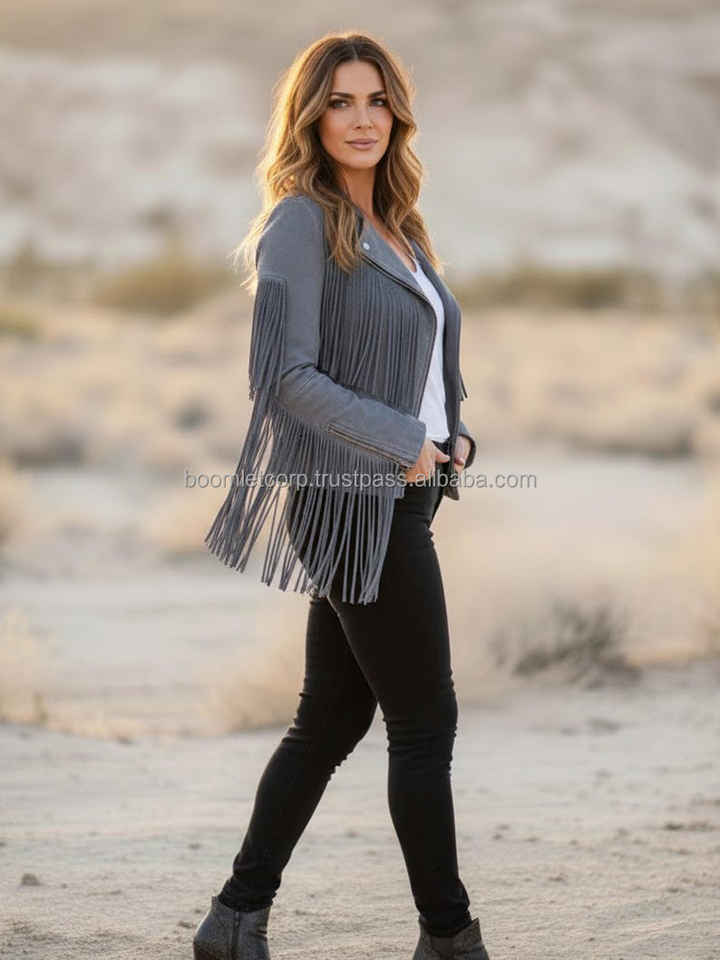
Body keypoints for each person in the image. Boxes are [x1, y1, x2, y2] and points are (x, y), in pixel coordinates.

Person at [194, 31, 490, 960]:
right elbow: (283, 376)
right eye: (339, 102)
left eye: (376, 100)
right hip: (352, 499)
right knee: (424, 724)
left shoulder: (401, 225)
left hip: (404, 493)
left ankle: (234, 920)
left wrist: (454, 433)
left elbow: (421, 358)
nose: (361, 119)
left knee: (329, 719)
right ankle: (450, 937)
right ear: (310, 117)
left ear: (397, 113)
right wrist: (404, 443)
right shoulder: (299, 221)